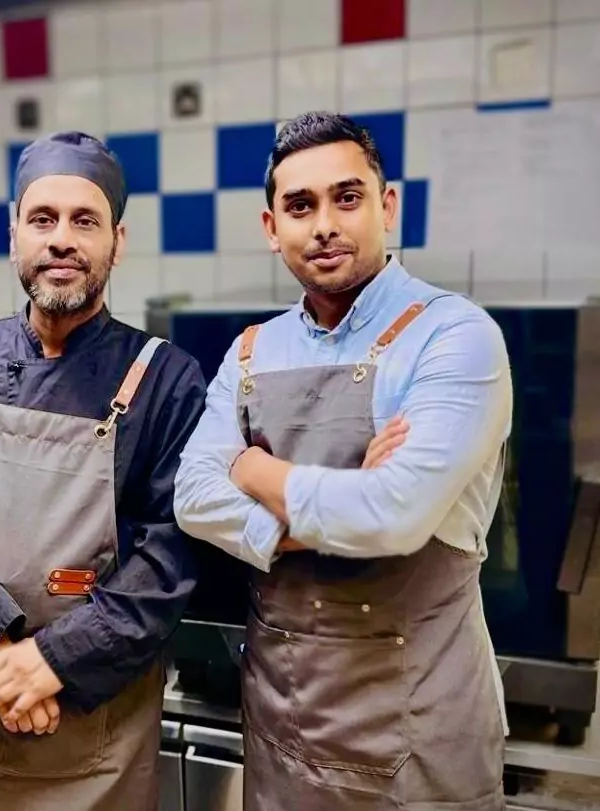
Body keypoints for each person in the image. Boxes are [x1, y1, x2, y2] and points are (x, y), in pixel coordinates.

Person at [173, 111, 511, 810]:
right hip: (282, 735)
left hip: (420, 742)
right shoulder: (251, 352)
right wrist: (344, 493)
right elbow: (192, 494)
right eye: (300, 205)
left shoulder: (456, 337)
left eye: (346, 197)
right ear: (273, 228)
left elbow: (392, 516)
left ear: (386, 206)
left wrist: (255, 471)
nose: (323, 223)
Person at [0, 130, 207, 810]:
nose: (62, 239)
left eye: (84, 220)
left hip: (103, 734)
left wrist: (55, 661)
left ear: (117, 242)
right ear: (14, 237)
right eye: (43, 219)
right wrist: (11, 655)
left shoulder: (166, 380)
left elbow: (168, 558)